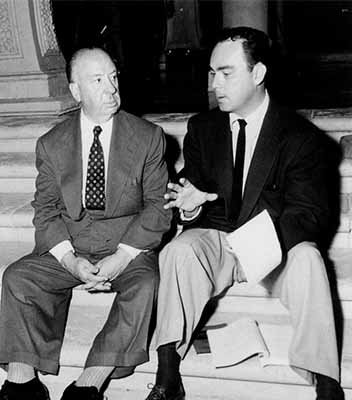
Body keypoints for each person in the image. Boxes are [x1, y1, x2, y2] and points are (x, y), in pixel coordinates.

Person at [145, 27, 344, 400]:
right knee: (178, 251)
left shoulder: (301, 138)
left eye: (226, 73)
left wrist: (254, 245)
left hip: (273, 244)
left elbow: (309, 215)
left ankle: (325, 381)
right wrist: (191, 205)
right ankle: (167, 372)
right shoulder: (202, 128)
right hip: (218, 237)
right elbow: (195, 191)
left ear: (258, 73)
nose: (215, 84)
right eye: (212, 73)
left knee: (309, 260)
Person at [0, 48, 172, 400]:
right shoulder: (52, 144)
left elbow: (157, 207)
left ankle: (89, 383)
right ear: (76, 91)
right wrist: (69, 260)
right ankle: (22, 382)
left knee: (145, 283)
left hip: (126, 244)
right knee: (18, 278)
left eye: (114, 77)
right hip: (73, 243)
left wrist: (123, 256)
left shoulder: (148, 137)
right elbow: (45, 210)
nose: (111, 88)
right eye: (98, 80)